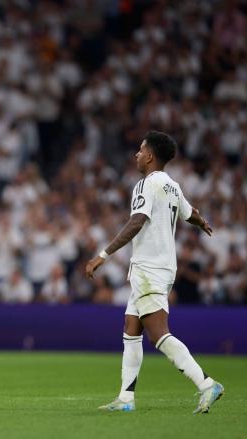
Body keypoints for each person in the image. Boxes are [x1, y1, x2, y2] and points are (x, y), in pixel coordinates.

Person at [86, 131, 224, 414]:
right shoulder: (172, 185)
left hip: (150, 268)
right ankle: (126, 399)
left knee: (158, 334)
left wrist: (103, 255)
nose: (136, 154)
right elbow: (190, 213)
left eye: (140, 150)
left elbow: (137, 221)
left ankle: (206, 383)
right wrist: (202, 223)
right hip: (158, 266)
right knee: (131, 328)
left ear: (150, 156)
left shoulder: (146, 184)